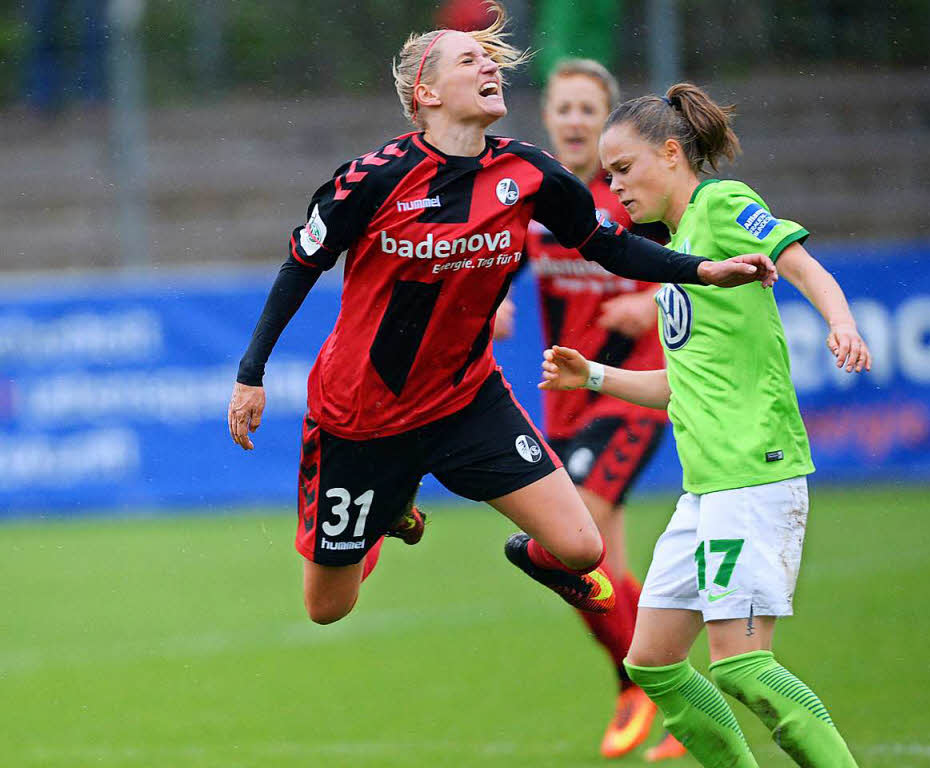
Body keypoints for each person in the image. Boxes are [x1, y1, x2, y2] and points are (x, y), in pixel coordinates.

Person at [226, 2, 776, 638]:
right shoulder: (371, 180)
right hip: (360, 416)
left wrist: (703, 270)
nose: (489, 63)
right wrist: (251, 373)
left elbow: (610, 245)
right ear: (426, 93)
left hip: (465, 401)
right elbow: (301, 264)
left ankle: (516, 550)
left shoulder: (528, 173)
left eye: (490, 58)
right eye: (469, 59)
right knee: (328, 607)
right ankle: (389, 511)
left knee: (581, 547)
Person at [539, 82, 870, 767]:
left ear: (670, 153)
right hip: (705, 492)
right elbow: (677, 385)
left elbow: (803, 265)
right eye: (609, 175)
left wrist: (840, 322)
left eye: (625, 170)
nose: (616, 187)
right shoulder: (676, 256)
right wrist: (592, 376)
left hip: (754, 478)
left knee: (741, 665)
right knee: (652, 663)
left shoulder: (721, 205)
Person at [496, 58, 684, 762]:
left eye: (587, 109)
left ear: (607, 122)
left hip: (636, 386)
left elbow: (701, 274)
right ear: (546, 117)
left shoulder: (633, 194)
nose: (574, 120)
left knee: (580, 525)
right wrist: (496, 303)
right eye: (564, 108)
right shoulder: (533, 197)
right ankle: (675, 699)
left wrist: (654, 300)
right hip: (570, 396)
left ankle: (635, 680)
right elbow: (498, 269)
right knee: (605, 560)